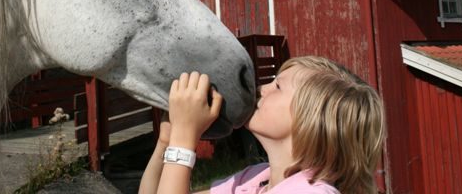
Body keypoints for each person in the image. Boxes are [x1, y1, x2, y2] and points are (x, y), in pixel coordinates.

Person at [139, 56, 386, 194]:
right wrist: (167, 143)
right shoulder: (256, 180)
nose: (261, 88)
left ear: (311, 122)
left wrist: (184, 139)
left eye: (278, 86)